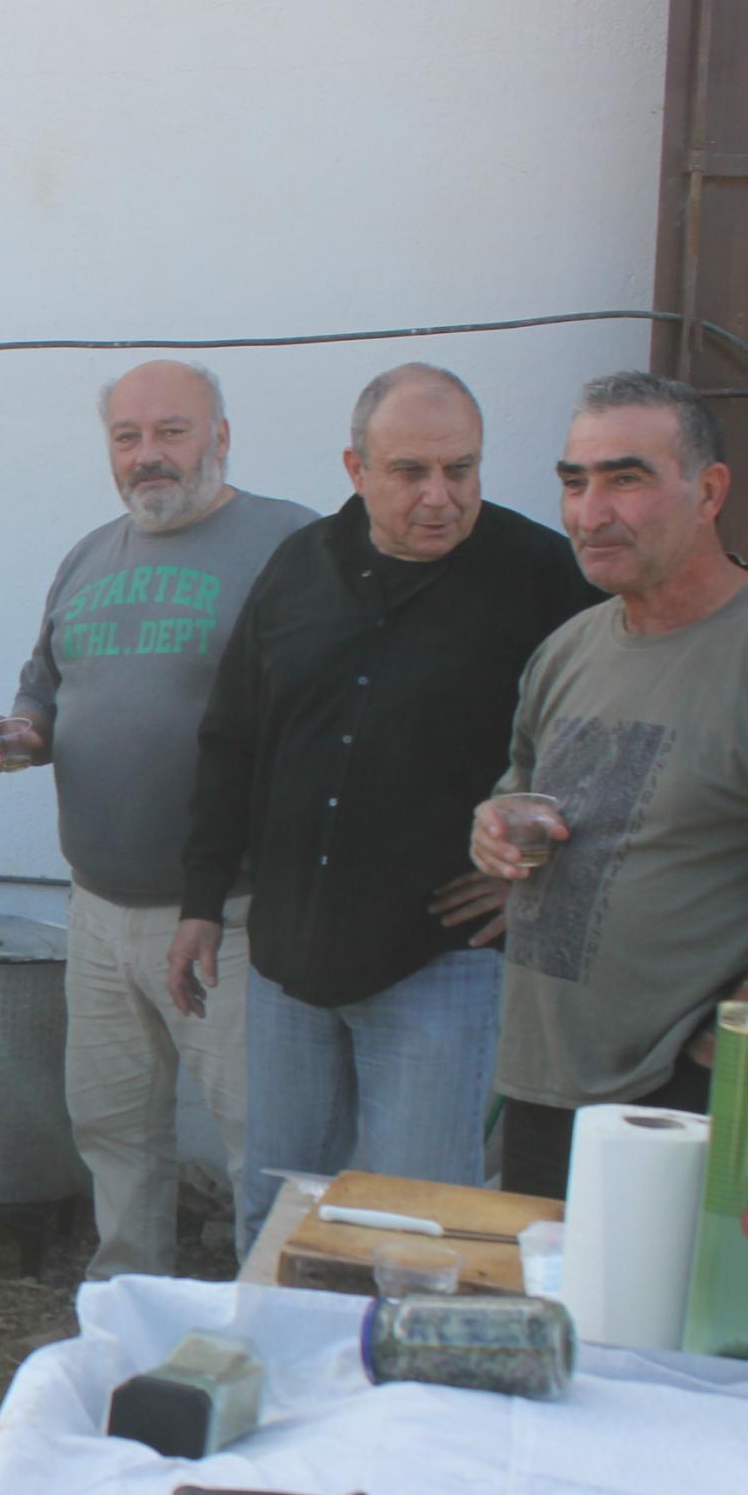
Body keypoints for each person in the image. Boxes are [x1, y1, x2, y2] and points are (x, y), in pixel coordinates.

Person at [173, 365, 593, 1242]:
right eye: (410, 472)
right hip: (289, 957)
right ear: (356, 469)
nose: (440, 496)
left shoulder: (542, 575)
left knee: (417, 1230)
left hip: (436, 959)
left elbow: (607, 740)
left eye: (461, 469)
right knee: (280, 1217)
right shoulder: (299, 566)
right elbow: (233, 736)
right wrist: (201, 901)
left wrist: (539, 879)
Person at [472, 372, 748, 1198]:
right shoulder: (569, 649)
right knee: (540, 1282)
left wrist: (722, 1053)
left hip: (680, 1098)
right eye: (574, 482)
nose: (590, 513)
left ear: (709, 492)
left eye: (625, 479)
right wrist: (495, 826)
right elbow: (519, 792)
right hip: (544, 1083)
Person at [0, 362, 314, 1277]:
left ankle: (273, 1320)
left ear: (221, 438)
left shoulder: (289, 542)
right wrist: (19, 735)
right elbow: (43, 689)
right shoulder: (89, 556)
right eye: (128, 437)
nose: (148, 455)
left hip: (234, 915)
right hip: (97, 910)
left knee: (264, 1143)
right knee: (112, 1128)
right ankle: (126, 1305)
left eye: (172, 432)